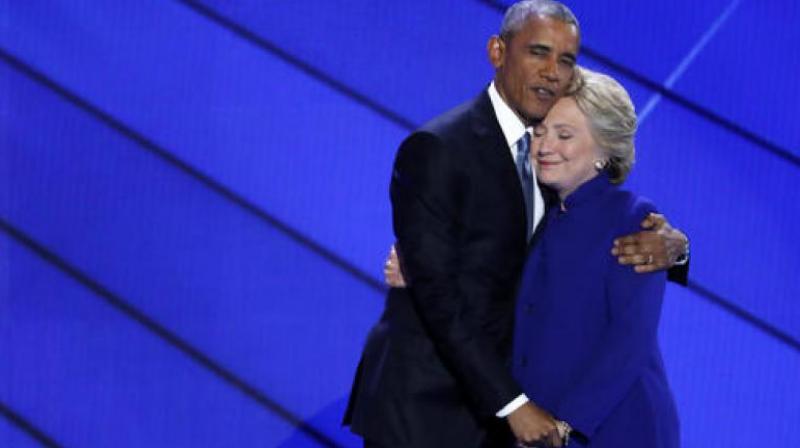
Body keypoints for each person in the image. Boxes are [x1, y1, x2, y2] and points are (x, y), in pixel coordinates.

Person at [345, 1, 688, 447]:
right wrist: (513, 405)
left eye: (565, 60)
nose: (551, 71)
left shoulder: (560, 172)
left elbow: (615, 273)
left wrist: (677, 248)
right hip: (435, 408)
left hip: (540, 415)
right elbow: (439, 292)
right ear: (497, 51)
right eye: (538, 52)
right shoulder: (439, 149)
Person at [512, 67, 680, 446]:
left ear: (605, 151)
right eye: (540, 131)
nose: (544, 146)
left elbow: (629, 341)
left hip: (614, 430)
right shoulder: (543, 211)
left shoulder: (635, 220)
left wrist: (566, 424)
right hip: (539, 427)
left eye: (564, 135)